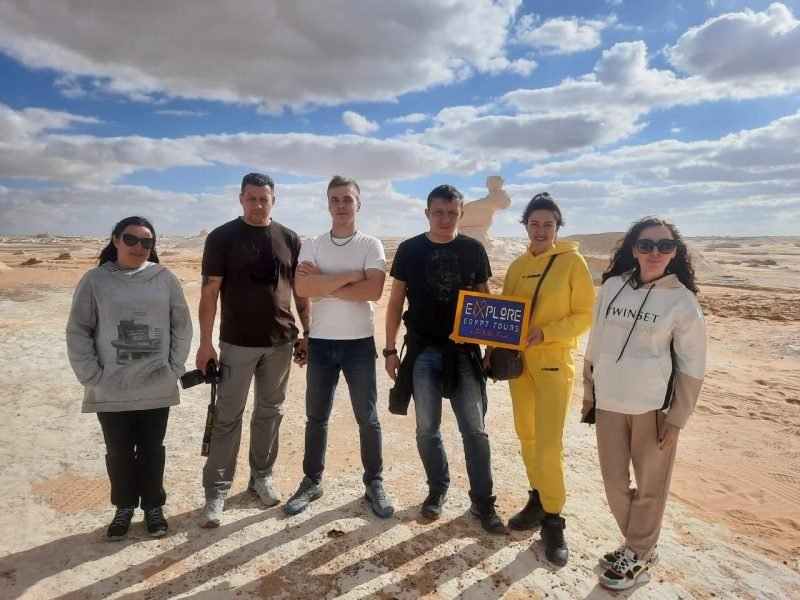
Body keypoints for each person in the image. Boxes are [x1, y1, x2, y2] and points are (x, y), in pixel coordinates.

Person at [582, 216, 706, 590]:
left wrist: (678, 418)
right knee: (613, 481)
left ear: (674, 252)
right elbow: (595, 345)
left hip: (654, 408)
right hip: (609, 403)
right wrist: (589, 394)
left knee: (651, 486)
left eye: (664, 246)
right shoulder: (613, 287)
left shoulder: (682, 301)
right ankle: (642, 547)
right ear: (634, 249)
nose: (655, 252)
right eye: (646, 245)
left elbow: (692, 364)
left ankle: (637, 552)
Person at [385, 184, 504, 534]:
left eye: (453, 212)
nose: (446, 218)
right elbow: (395, 303)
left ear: (461, 214)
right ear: (427, 213)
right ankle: (437, 489)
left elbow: (487, 300)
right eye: (439, 212)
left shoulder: (474, 249)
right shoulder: (409, 250)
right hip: (422, 350)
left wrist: (491, 349)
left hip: (465, 354)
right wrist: (390, 349)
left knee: (475, 431)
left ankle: (483, 500)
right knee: (427, 429)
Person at [484, 192, 595, 566]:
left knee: (549, 443)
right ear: (526, 226)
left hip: (552, 363)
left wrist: (547, 333)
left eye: (548, 224)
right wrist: (489, 344)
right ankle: (537, 497)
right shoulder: (516, 266)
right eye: (534, 224)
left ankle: (554, 518)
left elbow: (584, 314)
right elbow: (505, 314)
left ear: (558, 227)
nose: (541, 230)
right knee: (526, 435)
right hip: (519, 366)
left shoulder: (572, 263)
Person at [66, 216, 192, 540]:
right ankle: (123, 507)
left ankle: (153, 506)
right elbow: (78, 329)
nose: (139, 247)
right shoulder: (95, 280)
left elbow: (181, 325)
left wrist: (175, 367)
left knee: (152, 448)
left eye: (147, 242)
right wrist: (91, 375)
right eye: (131, 239)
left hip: (156, 383)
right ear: (115, 240)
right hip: (111, 388)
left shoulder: (164, 278)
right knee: (119, 451)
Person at [196, 172, 311, 527]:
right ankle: (216, 492)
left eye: (264, 198)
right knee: (228, 416)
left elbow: (300, 291)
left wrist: (309, 332)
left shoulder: (289, 238)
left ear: (274, 200)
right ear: (241, 198)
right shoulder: (221, 238)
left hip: (281, 342)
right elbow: (209, 293)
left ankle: (261, 477)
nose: (258, 204)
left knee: (270, 411)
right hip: (237, 342)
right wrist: (204, 343)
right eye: (251, 198)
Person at [284, 175, 393, 518]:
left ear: (358, 204)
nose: (341, 205)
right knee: (316, 417)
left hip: (359, 343)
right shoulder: (313, 243)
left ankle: (374, 482)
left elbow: (373, 291)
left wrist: (323, 284)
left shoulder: (370, 244)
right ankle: (312, 481)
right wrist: (350, 276)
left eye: (347, 199)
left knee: (368, 417)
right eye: (335, 199)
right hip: (321, 341)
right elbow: (301, 287)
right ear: (328, 204)